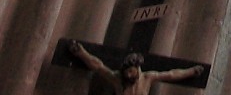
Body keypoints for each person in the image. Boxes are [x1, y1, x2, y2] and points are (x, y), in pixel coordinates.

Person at [65, 37, 204, 90]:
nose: (128, 74)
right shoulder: (117, 79)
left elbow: (171, 74)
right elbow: (98, 66)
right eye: (126, 72)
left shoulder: (148, 78)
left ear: (138, 69)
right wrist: (81, 53)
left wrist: (191, 71)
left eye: (131, 71)